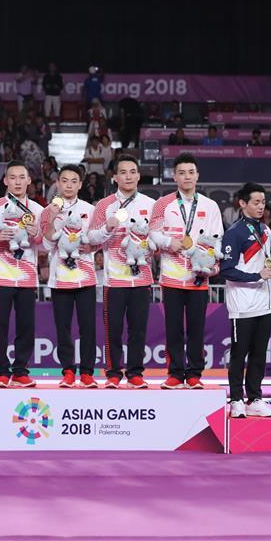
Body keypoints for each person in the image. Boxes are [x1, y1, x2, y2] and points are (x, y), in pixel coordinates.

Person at [150, 153, 223, 389]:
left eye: (191, 172)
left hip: (198, 276)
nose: (187, 177)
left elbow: (217, 239)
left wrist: (210, 265)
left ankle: (194, 374)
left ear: (197, 175)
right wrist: (168, 242)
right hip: (171, 276)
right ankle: (174, 373)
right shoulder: (163, 204)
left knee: (196, 328)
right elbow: (153, 234)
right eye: (182, 172)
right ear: (175, 176)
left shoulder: (210, 206)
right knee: (173, 328)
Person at [87, 154, 156, 388]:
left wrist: (149, 244)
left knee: (138, 330)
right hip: (114, 279)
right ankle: (113, 374)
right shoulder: (104, 205)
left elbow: (157, 237)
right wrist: (107, 227)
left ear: (138, 175)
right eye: (123, 172)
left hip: (141, 278)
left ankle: (135, 373)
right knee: (113, 330)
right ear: (115, 177)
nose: (128, 176)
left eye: (132, 171)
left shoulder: (150, 204)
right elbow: (91, 238)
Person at [0, 161, 44, 387]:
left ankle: (21, 370)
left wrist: (37, 236)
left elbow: (46, 245)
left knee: (26, 326)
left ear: (28, 181)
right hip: (1, 277)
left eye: (21, 177)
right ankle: (1, 372)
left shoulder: (37, 210)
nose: (17, 182)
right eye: (12, 177)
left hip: (27, 278)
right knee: (0, 326)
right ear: (5, 181)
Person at [219, 183, 271, 417]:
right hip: (242, 304)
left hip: (266, 301)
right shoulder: (234, 232)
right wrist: (256, 277)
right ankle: (236, 400)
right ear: (242, 204)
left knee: (259, 353)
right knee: (238, 353)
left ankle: (255, 398)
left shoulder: (266, 230)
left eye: (263, 202)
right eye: (256, 202)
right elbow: (226, 269)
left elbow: (269, 264)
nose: (261, 206)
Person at [40, 164, 98, 388]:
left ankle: (87, 372)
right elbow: (46, 245)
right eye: (65, 180)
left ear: (80, 185)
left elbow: (95, 241)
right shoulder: (49, 209)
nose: (69, 185)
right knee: (63, 328)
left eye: (74, 181)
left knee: (87, 328)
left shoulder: (90, 209)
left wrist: (91, 249)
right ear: (58, 183)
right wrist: (52, 218)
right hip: (60, 278)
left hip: (85, 278)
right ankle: (67, 371)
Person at [42, 62, 63, 128]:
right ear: (48, 68)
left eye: (53, 66)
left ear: (55, 68)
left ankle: (57, 127)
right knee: (47, 111)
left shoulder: (58, 76)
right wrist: (46, 87)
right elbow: (43, 85)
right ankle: (46, 127)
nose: (52, 68)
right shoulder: (46, 76)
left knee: (57, 111)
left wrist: (57, 87)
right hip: (48, 95)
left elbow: (61, 86)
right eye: (50, 66)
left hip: (56, 95)